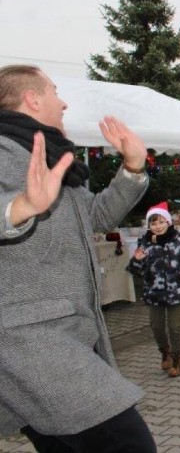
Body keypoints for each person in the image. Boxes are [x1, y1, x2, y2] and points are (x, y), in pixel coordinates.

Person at [0, 64, 156, 452]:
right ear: (32, 98)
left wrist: (133, 168)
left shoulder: (55, 159)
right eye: (54, 91)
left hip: (70, 331)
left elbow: (97, 216)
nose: (64, 101)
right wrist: (18, 208)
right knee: (129, 443)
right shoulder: (3, 150)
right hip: (28, 341)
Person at [126, 202, 180, 377]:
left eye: (162, 222)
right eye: (154, 223)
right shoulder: (144, 244)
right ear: (149, 226)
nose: (158, 226)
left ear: (169, 223)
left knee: (175, 326)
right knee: (156, 326)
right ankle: (165, 352)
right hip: (154, 293)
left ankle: (177, 358)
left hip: (175, 292)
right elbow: (134, 270)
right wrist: (137, 260)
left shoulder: (179, 241)